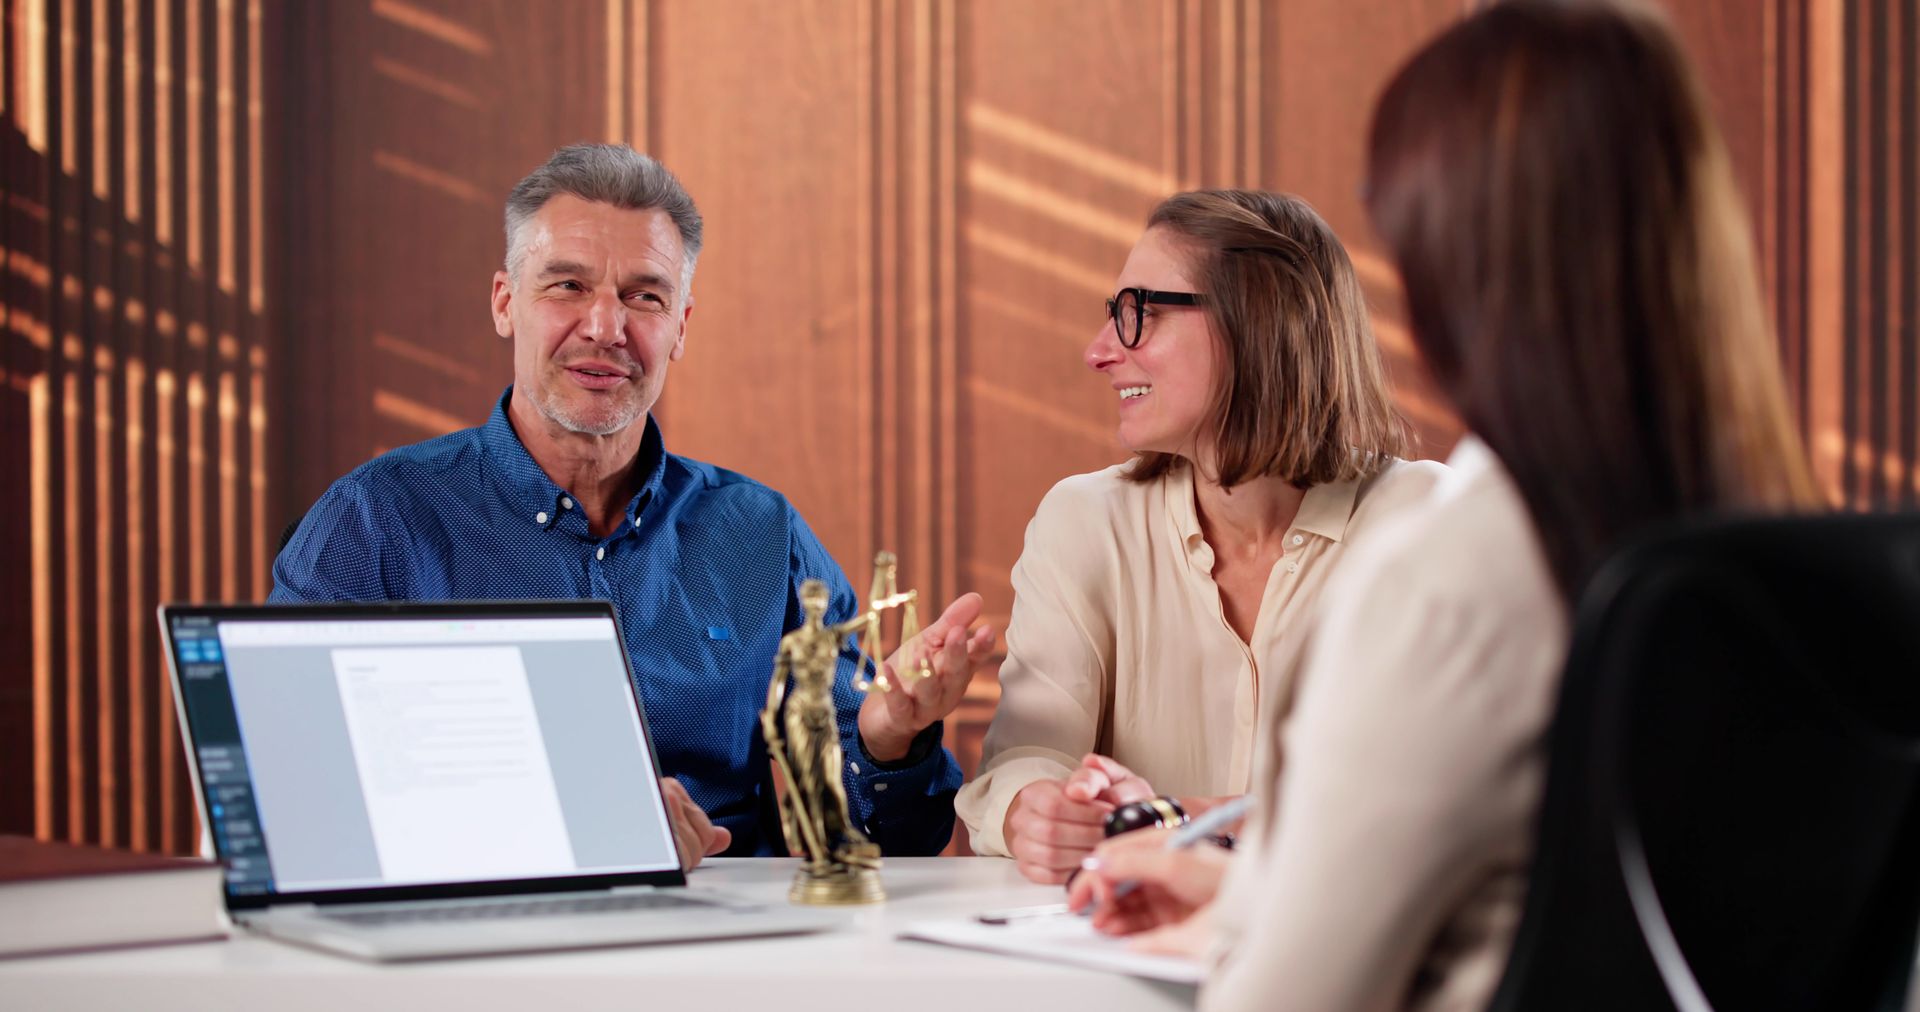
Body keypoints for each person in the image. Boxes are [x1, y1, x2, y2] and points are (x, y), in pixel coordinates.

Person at [1067, 2, 1822, 1009]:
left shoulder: (1446, 587)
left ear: (1447, 268)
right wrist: (1253, 891)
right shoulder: (1803, 565)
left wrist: (1258, 925)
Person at [272, 143, 994, 869]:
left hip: (727, 925)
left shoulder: (760, 534)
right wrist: (580, 828)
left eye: (644, 297)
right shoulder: (376, 521)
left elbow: (894, 842)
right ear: (504, 303)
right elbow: (288, 788)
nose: (605, 327)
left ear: (680, 326)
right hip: (479, 919)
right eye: (568, 286)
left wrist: (886, 738)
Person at [954, 190, 1447, 883]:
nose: (1099, 352)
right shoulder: (1083, 522)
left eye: (1139, 314)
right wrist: (1032, 810)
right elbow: (1030, 755)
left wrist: (1175, 819)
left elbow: (1441, 803)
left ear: (1259, 322)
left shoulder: (1426, 525)